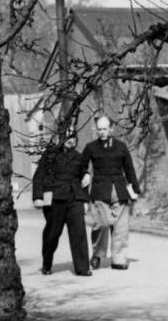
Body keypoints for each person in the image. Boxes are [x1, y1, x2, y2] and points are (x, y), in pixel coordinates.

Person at [79, 115, 140, 271]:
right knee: (102, 223)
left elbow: (129, 168)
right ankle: (98, 255)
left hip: (119, 190)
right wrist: (85, 173)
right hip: (100, 191)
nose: (102, 132)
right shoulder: (91, 147)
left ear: (111, 129)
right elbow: (81, 166)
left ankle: (119, 259)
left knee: (121, 228)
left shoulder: (121, 146)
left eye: (105, 129)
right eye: (99, 129)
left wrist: (135, 188)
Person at [32, 132, 92, 276]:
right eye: (67, 137)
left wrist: (87, 178)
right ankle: (47, 263)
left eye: (73, 138)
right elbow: (39, 175)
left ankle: (82, 267)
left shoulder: (78, 156)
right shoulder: (50, 154)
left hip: (74, 198)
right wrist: (38, 197)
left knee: (79, 233)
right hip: (55, 199)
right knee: (52, 234)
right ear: (60, 138)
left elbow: (83, 177)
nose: (70, 140)